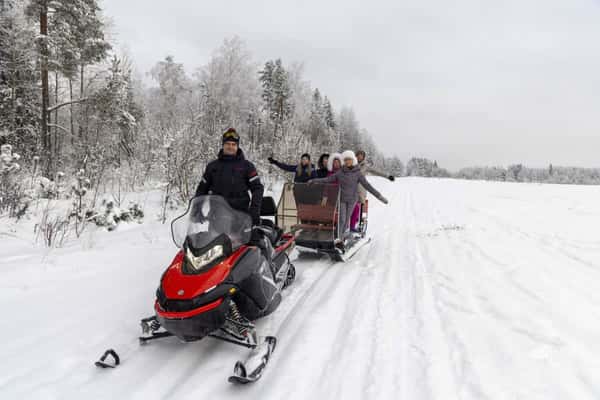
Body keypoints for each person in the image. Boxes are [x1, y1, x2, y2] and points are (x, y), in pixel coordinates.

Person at [309, 150, 388, 244]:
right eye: (345, 160)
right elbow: (328, 179)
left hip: (352, 199)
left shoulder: (357, 173)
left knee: (346, 219)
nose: (347, 161)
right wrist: (314, 180)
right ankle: (339, 238)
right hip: (342, 199)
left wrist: (380, 197)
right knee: (342, 219)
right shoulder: (340, 173)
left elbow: (368, 186)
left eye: (349, 159)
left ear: (353, 160)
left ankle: (342, 238)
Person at [194, 128, 264, 227]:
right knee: (212, 242)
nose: (230, 147)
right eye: (227, 144)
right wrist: (197, 209)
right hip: (217, 218)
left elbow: (257, 188)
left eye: (233, 144)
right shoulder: (213, 166)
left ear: (237, 146)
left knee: (250, 241)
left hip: (240, 217)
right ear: (223, 145)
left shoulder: (247, 166)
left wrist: (254, 209)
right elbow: (202, 189)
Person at [351, 150, 395, 231]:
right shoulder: (351, 164)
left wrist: (388, 176)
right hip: (350, 189)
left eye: (361, 155)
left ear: (363, 157)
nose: (359, 157)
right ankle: (350, 224)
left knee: (358, 206)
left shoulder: (365, 166)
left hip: (361, 189)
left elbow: (376, 171)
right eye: (358, 155)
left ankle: (358, 224)